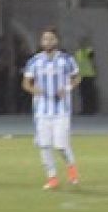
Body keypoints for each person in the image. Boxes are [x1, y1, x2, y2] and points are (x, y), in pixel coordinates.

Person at [23, 28, 82, 190]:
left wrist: (67, 88)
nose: (47, 42)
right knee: (44, 145)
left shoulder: (66, 60)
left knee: (61, 145)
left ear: (56, 41)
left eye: (51, 39)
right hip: (42, 111)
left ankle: (72, 169)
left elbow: (77, 77)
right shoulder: (34, 61)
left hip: (61, 110)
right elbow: (26, 83)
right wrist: (34, 90)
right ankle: (52, 177)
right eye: (45, 39)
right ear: (41, 42)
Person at [74, 38, 98, 115]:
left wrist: (95, 70)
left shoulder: (89, 51)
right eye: (81, 43)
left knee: (89, 93)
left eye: (84, 43)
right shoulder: (77, 53)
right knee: (82, 94)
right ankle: (84, 109)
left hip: (89, 75)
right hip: (81, 76)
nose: (82, 44)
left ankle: (91, 109)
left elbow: (93, 61)